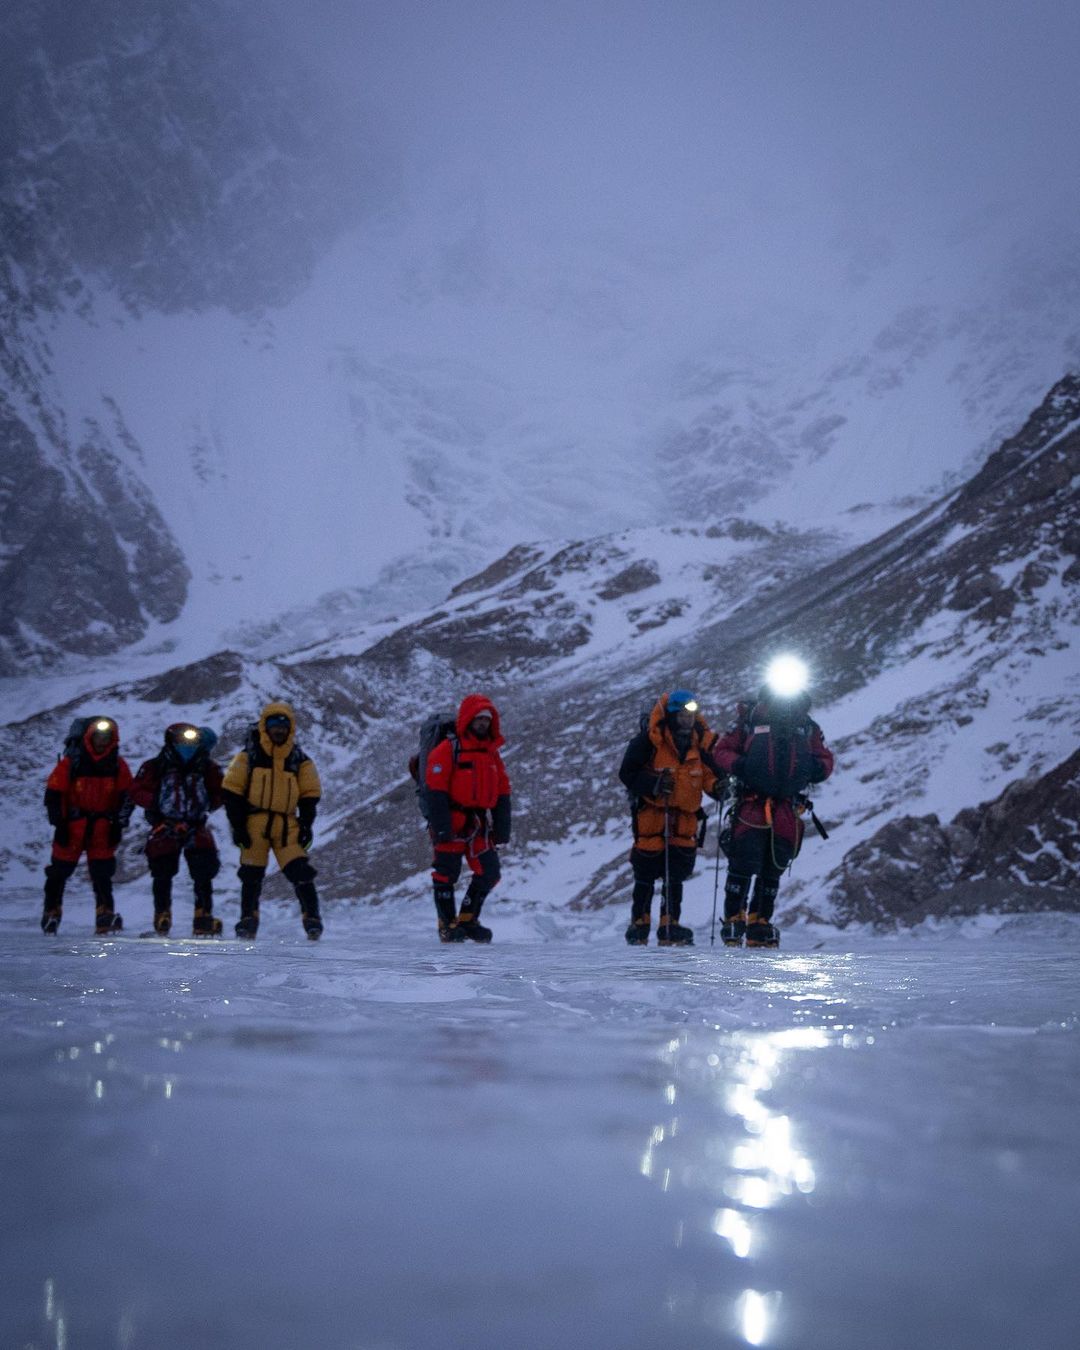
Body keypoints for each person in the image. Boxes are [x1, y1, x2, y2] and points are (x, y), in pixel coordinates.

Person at [709, 664, 834, 947]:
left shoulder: (807, 726)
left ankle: (760, 921)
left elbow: (825, 758)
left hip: (786, 807)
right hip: (752, 801)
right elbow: (722, 750)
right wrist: (739, 765)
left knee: (774, 865)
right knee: (743, 859)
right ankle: (733, 918)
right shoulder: (751, 719)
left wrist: (817, 768)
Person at [618, 689, 723, 946]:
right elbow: (628, 773)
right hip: (653, 819)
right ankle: (639, 925)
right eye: (684, 713)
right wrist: (654, 784)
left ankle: (669, 924)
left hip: (685, 823)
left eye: (692, 713)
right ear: (674, 714)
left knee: (675, 877)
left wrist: (718, 787)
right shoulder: (649, 742)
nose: (689, 719)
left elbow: (708, 774)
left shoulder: (699, 744)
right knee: (646, 875)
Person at [221, 702, 324, 940]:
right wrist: (238, 826)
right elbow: (232, 792)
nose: (279, 729)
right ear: (264, 726)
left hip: (287, 825)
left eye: (284, 724)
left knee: (301, 871)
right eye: (274, 724)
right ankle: (248, 919)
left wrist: (306, 824)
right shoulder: (248, 756)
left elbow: (310, 794)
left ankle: (312, 919)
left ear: (291, 728)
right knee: (251, 874)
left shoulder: (299, 759)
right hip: (254, 823)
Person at [423, 694, 511, 942]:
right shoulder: (447, 750)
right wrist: (441, 827)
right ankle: (447, 924)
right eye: (478, 718)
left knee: (490, 872)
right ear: (467, 720)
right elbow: (435, 788)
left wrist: (502, 826)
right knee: (446, 874)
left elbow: (503, 790)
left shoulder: (492, 754)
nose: (483, 723)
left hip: (478, 825)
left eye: (487, 719)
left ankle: (468, 919)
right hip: (451, 820)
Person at [130, 724, 225, 936]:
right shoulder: (156, 766)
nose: (187, 745)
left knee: (204, 870)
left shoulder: (207, 767)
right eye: (182, 740)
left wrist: (208, 804)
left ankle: (203, 916)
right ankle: (162, 914)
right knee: (162, 871)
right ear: (171, 741)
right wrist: (155, 803)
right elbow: (136, 790)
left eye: (192, 741)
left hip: (196, 824)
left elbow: (221, 790)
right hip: (165, 824)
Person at [42, 717, 134, 934]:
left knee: (102, 873)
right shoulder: (71, 762)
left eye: (107, 737)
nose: (103, 741)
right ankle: (51, 912)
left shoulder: (117, 764)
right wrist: (59, 823)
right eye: (99, 736)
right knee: (59, 871)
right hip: (72, 826)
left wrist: (118, 824)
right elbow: (54, 794)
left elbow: (126, 795)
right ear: (89, 737)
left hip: (103, 827)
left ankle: (105, 914)